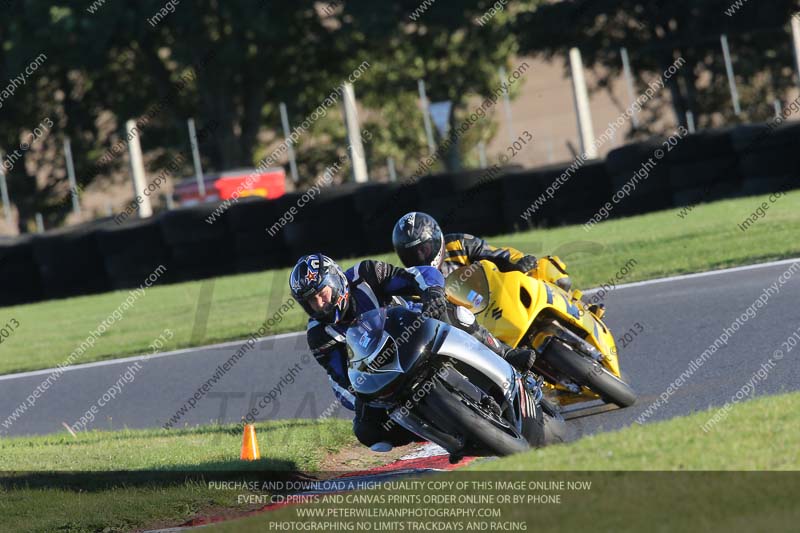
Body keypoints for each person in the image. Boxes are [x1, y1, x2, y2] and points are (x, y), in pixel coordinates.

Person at [289, 253, 537, 450]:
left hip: (414, 330)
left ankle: (505, 355)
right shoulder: (318, 336)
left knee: (453, 312)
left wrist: (433, 292)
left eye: (322, 294)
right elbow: (343, 376)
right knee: (368, 433)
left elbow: (419, 275)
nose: (319, 304)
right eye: (311, 301)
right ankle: (437, 432)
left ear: (335, 282)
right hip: (379, 370)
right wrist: (364, 396)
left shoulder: (365, 274)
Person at [392, 211, 572, 291]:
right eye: (412, 254)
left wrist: (517, 264)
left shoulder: (458, 244)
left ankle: (575, 307)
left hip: (499, 297)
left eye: (423, 249)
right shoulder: (413, 281)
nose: (420, 257)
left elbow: (498, 255)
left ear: (435, 239)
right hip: (475, 331)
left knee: (546, 268)